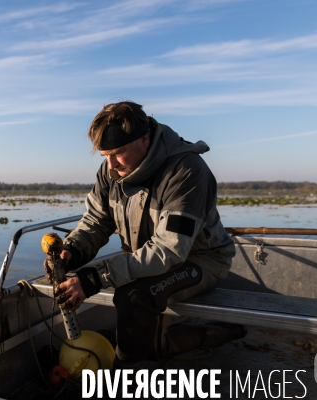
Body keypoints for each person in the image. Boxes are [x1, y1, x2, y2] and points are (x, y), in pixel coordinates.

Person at [44, 101, 245, 368]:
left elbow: (169, 250)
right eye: (104, 156)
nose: (111, 166)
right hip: (147, 258)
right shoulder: (110, 171)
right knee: (153, 346)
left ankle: (125, 378)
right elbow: (95, 221)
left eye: (118, 153)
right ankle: (224, 332)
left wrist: (95, 278)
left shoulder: (186, 170)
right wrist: (73, 251)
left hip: (200, 261)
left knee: (133, 297)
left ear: (145, 139)